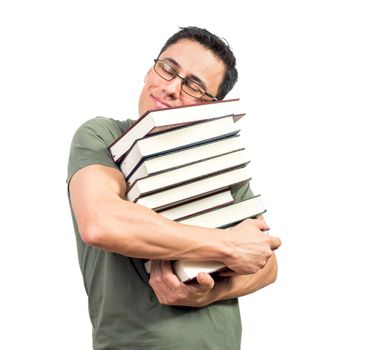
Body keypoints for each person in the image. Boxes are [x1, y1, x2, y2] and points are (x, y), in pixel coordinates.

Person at [67, 26, 281, 350]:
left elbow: (265, 262)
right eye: (167, 68)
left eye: (193, 86)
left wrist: (210, 293)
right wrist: (227, 246)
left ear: (211, 108)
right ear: (149, 70)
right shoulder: (103, 136)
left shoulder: (219, 160)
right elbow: (101, 222)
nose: (170, 88)